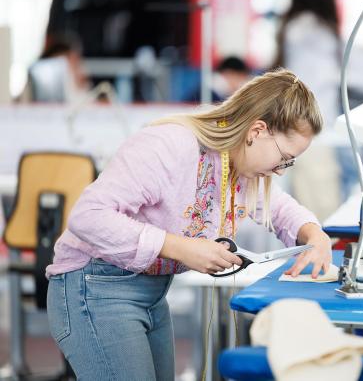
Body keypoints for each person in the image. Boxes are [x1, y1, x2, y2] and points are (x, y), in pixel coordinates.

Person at [46, 68, 333, 380]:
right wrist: (181, 248)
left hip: (150, 294)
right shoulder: (171, 144)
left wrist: (315, 236)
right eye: (284, 158)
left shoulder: (238, 165)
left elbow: (281, 209)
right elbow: (88, 216)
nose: (281, 170)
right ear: (257, 130)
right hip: (94, 287)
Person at [274, 0, 353, 220]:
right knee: (320, 213)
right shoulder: (316, 34)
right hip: (312, 131)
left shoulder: (294, 29)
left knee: (302, 207)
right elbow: (323, 82)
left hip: (298, 128)